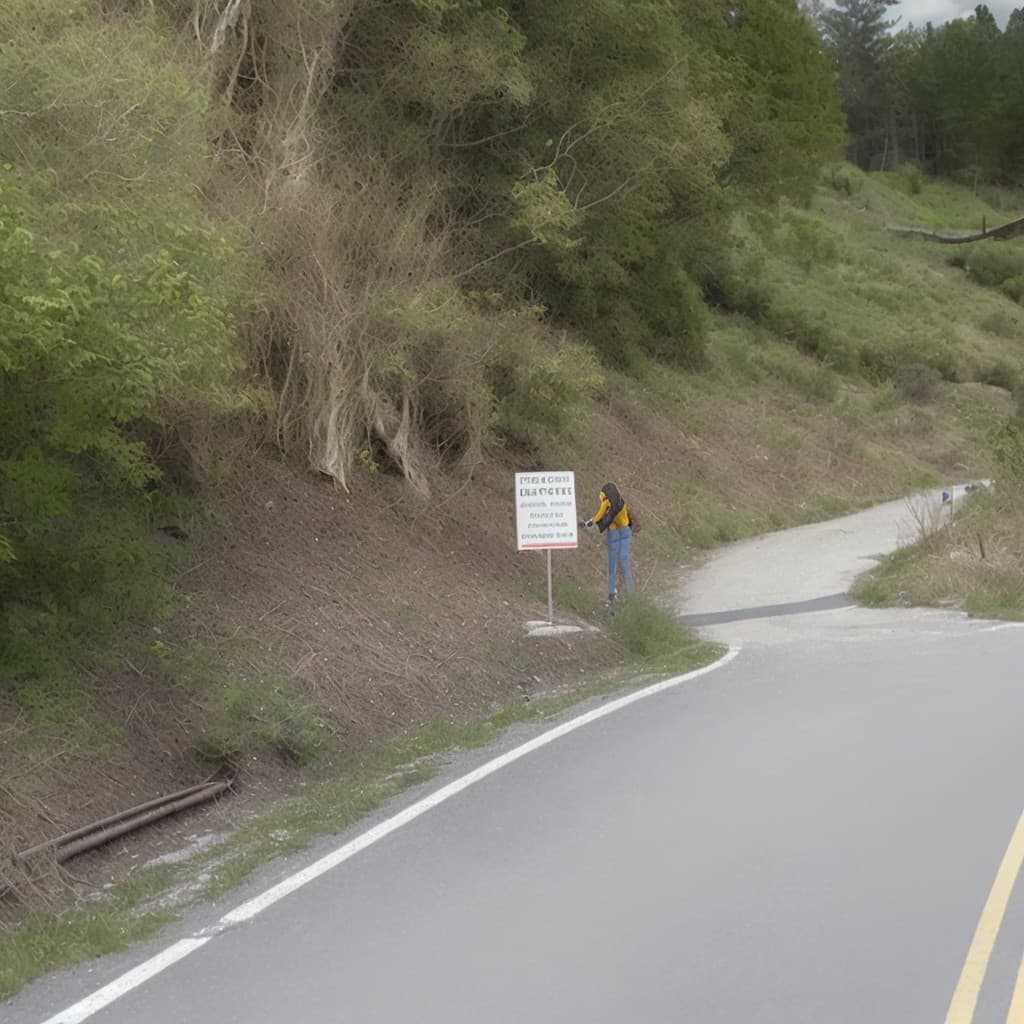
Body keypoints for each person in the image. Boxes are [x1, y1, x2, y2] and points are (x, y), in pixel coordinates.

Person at [581, 482, 635, 606]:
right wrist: (591, 522)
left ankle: (612, 594)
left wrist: (589, 523)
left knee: (612, 566)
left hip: (615, 533)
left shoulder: (606, 502)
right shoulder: (621, 501)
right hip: (624, 531)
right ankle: (631, 595)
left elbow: (600, 514)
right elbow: (625, 517)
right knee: (624, 564)